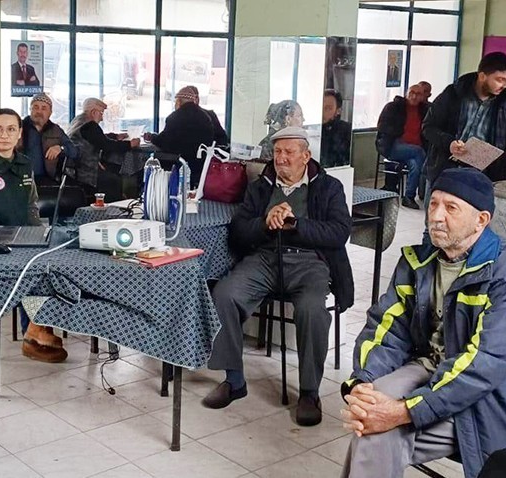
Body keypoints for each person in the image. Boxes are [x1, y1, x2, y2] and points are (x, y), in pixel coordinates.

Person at [340, 168, 506, 478]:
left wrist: (404, 411)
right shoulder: (421, 260)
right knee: (371, 412)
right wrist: (363, 382)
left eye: (451, 208)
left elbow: (483, 366)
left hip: (495, 399)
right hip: (431, 369)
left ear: (481, 220)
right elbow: (387, 328)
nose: (436, 216)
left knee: (377, 430)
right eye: (433, 204)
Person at [203, 126, 354, 427]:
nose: (281, 159)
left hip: (310, 262)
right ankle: (234, 380)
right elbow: (238, 232)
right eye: (277, 153)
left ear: (306, 155)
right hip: (264, 259)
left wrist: (295, 224)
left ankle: (310, 392)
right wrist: (264, 223)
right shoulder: (261, 187)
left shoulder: (328, 187)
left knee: (312, 310)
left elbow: (339, 232)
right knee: (224, 294)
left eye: (289, 153)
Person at [0, 108, 67, 363]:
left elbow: (31, 205)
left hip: (19, 239)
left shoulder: (24, 163)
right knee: (26, 272)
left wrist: (38, 235)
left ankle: (35, 329)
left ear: (19, 133)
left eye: (11, 129)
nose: (4, 135)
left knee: (45, 265)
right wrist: (1, 237)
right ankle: (35, 331)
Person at [422, 52, 506, 189]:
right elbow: (428, 127)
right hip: (444, 169)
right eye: (500, 80)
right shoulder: (453, 94)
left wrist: (497, 160)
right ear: (482, 76)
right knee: (438, 209)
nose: (505, 85)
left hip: (484, 176)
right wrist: (449, 143)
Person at [67, 97, 140, 201]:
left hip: (74, 168)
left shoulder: (78, 120)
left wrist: (115, 137)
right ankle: (114, 209)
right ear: (93, 112)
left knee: (109, 170)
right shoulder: (90, 125)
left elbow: (97, 138)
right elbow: (106, 145)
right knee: (114, 180)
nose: (102, 118)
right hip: (85, 172)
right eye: (101, 113)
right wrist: (130, 144)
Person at [143, 85, 215, 188]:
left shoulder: (174, 118)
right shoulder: (206, 117)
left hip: (178, 163)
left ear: (179, 102)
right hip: (200, 164)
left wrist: (152, 137)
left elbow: (165, 142)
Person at [376, 83, 429, 210]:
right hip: (394, 146)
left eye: (418, 94)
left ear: (423, 97)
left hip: (414, 149)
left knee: (416, 164)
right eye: (412, 93)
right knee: (420, 154)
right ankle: (423, 190)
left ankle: (408, 197)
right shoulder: (393, 107)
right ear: (406, 93)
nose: (414, 96)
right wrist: (397, 131)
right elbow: (382, 126)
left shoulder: (426, 110)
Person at [19, 93, 78, 185]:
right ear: (30, 109)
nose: (39, 111)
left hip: (48, 179)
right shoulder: (19, 127)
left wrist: (60, 148)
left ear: (50, 112)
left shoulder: (56, 130)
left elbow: (74, 151)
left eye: (44, 108)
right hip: (20, 178)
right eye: (36, 107)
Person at [320, 89, 352, 168]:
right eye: (320, 107)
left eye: (328, 108)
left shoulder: (345, 130)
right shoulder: (309, 130)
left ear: (338, 111)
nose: (322, 112)